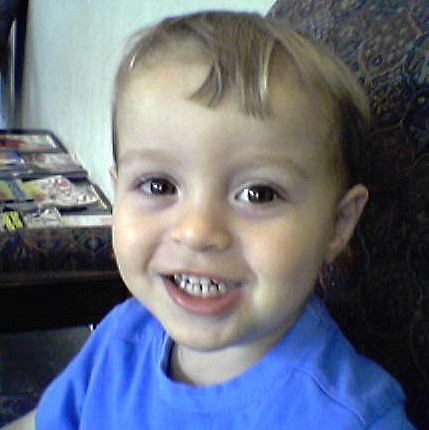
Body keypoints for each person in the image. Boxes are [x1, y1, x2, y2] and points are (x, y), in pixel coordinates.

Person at [3, 11, 416, 429]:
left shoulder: (353, 418)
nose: (197, 232)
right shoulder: (120, 337)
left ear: (338, 224)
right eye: (159, 185)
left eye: (258, 194)